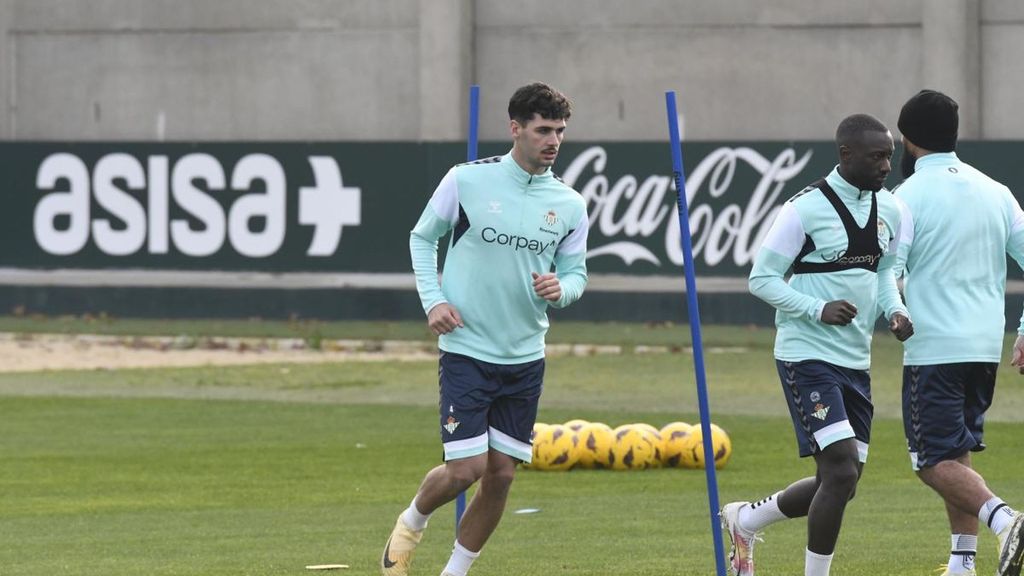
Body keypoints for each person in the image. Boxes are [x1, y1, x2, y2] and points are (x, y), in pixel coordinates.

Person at [380, 82, 588, 576]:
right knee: (465, 470)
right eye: (542, 130)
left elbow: (577, 274)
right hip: (468, 347)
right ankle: (411, 523)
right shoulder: (466, 180)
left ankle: (455, 572)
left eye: (559, 131)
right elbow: (421, 237)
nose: (553, 140)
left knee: (500, 477)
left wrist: (564, 289)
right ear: (515, 129)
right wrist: (434, 301)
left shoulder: (571, 204)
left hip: (525, 355)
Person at [720, 113, 914, 576]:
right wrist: (815, 308)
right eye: (876, 156)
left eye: (890, 155)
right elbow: (760, 280)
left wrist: (896, 311)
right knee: (842, 470)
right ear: (846, 155)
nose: (887, 165)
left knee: (843, 481)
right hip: (805, 354)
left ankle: (744, 520)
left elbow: (884, 273)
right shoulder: (803, 208)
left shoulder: (893, 210)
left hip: (855, 360)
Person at [892, 89, 1024, 576]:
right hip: (984, 348)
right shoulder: (996, 190)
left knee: (931, 461)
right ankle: (962, 562)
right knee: (956, 451)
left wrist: (889, 310)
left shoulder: (904, 198)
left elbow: (890, 270)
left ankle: (1005, 519)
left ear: (906, 139)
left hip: (932, 347)